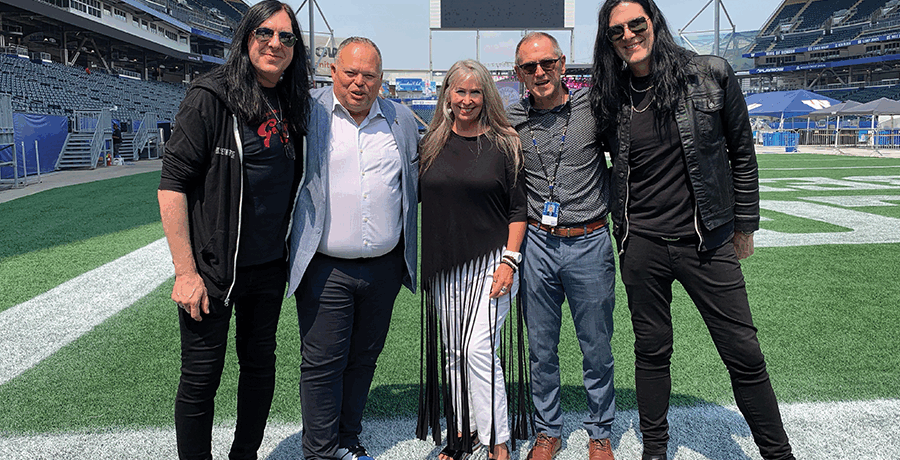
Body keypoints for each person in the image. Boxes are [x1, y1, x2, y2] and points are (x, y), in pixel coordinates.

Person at [590, 1, 796, 460]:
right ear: (609, 40)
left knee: (744, 353)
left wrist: (745, 226)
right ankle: (655, 451)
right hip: (641, 243)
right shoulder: (611, 94)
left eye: (636, 24)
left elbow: (743, 155)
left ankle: (778, 454)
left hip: (707, 241)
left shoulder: (710, 74)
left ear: (654, 23)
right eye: (617, 31)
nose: (628, 36)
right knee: (651, 352)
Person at [157, 1, 310, 458]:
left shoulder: (292, 102)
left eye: (286, 37)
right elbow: (172, 185)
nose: (275, 44)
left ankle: (244, 455)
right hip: (212, 269)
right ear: (246, 38)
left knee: (259, 368)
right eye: (265, 33)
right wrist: (185, 272)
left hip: (268, 267)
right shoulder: (210, 96)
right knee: (201, 377)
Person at [285, 37, 419, 460]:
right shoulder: (307, 111)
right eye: (351, 73)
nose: (359, 83)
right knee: (322, 364)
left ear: (381, 79)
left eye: (369, 75)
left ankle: (346, 438)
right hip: (325, 267)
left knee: (364, 358)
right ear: (333, 72)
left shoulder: (401, 119)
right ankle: (319, 452)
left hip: (384, 268)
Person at [506, 32, 617, 460]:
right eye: (529, 67)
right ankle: (547, 430)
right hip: (537, 243)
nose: (540, 72)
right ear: (519, 73)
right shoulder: (511, 118)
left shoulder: (593, 108)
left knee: (597, 347)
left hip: (590, 240)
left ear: (563, 64)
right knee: (541, 348)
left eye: (547, 63)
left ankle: (600, 431)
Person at [416, 59, 527, 460]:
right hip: (444, 265)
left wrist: (509, 262)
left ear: (486, 96)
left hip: (491, 263)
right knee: (454, 353)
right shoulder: (430, 143)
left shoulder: (505, 143)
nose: (466, 99)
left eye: (475, 92)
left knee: (478, 349)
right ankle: (464, 430)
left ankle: (498, 440)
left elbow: (518, 209)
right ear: (447, 94)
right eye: (459, 91)